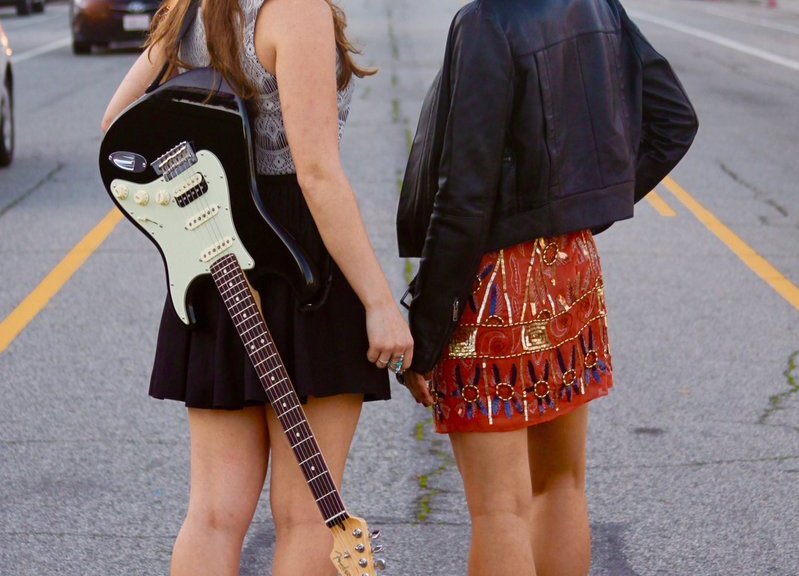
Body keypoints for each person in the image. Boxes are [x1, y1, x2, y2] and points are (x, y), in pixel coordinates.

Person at [102, 0, 413, 574]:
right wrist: (378, 302)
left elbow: (116, 125)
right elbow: (316, 174)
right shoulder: (295, 11)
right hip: (300, 261)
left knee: (213, 515)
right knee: (306, 517)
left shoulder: (190, 6)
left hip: (215, 261)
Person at [397, 0, 698, 575]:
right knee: (562, 483)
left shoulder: (485, 22)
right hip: (572, 267)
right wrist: (582, 206)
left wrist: (425, 332)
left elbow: (464, 195)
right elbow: (674, 120)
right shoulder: (595, 4)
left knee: (500, 510)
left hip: (496, 284)